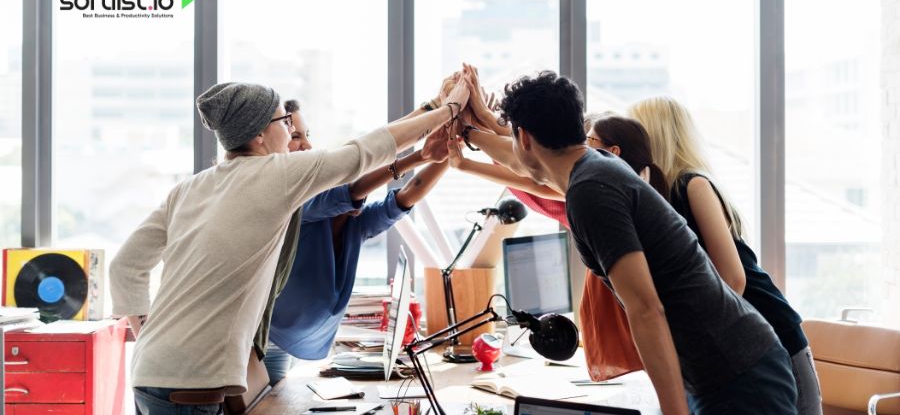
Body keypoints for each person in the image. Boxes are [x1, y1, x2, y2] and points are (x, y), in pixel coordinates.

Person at [110, 77, 470, 414]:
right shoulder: (277, 175)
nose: (290, 129)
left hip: (148, 370)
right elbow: (366, 150)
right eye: (284, 121)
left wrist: (148, 336)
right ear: (260, 137)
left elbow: (125, 266)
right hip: (191, 387)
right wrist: (447, 109)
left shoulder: (190, 187)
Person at [496, 71, 797, 415]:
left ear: (524, 137)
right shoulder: (597, 166)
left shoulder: (591, 190)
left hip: (736, 373)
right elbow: (516, 158)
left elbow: (645, 308)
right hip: (726, 365)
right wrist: (470, 134)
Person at [628, 96, 822, 414]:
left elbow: (733, 278)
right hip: (742, 349)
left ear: (654, 136)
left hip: (773, 336)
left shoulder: (693, 185)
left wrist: (701, 339)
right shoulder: (654, 200)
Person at [259, 99, 451, 384]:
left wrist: (450, 150)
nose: (308, 146)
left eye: (308, 135)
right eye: (296, 137)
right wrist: (419, 152)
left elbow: (405, 197)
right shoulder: (295, 203)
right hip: (265, 341)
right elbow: (353, 184)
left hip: (288, 342)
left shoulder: (351, 226)